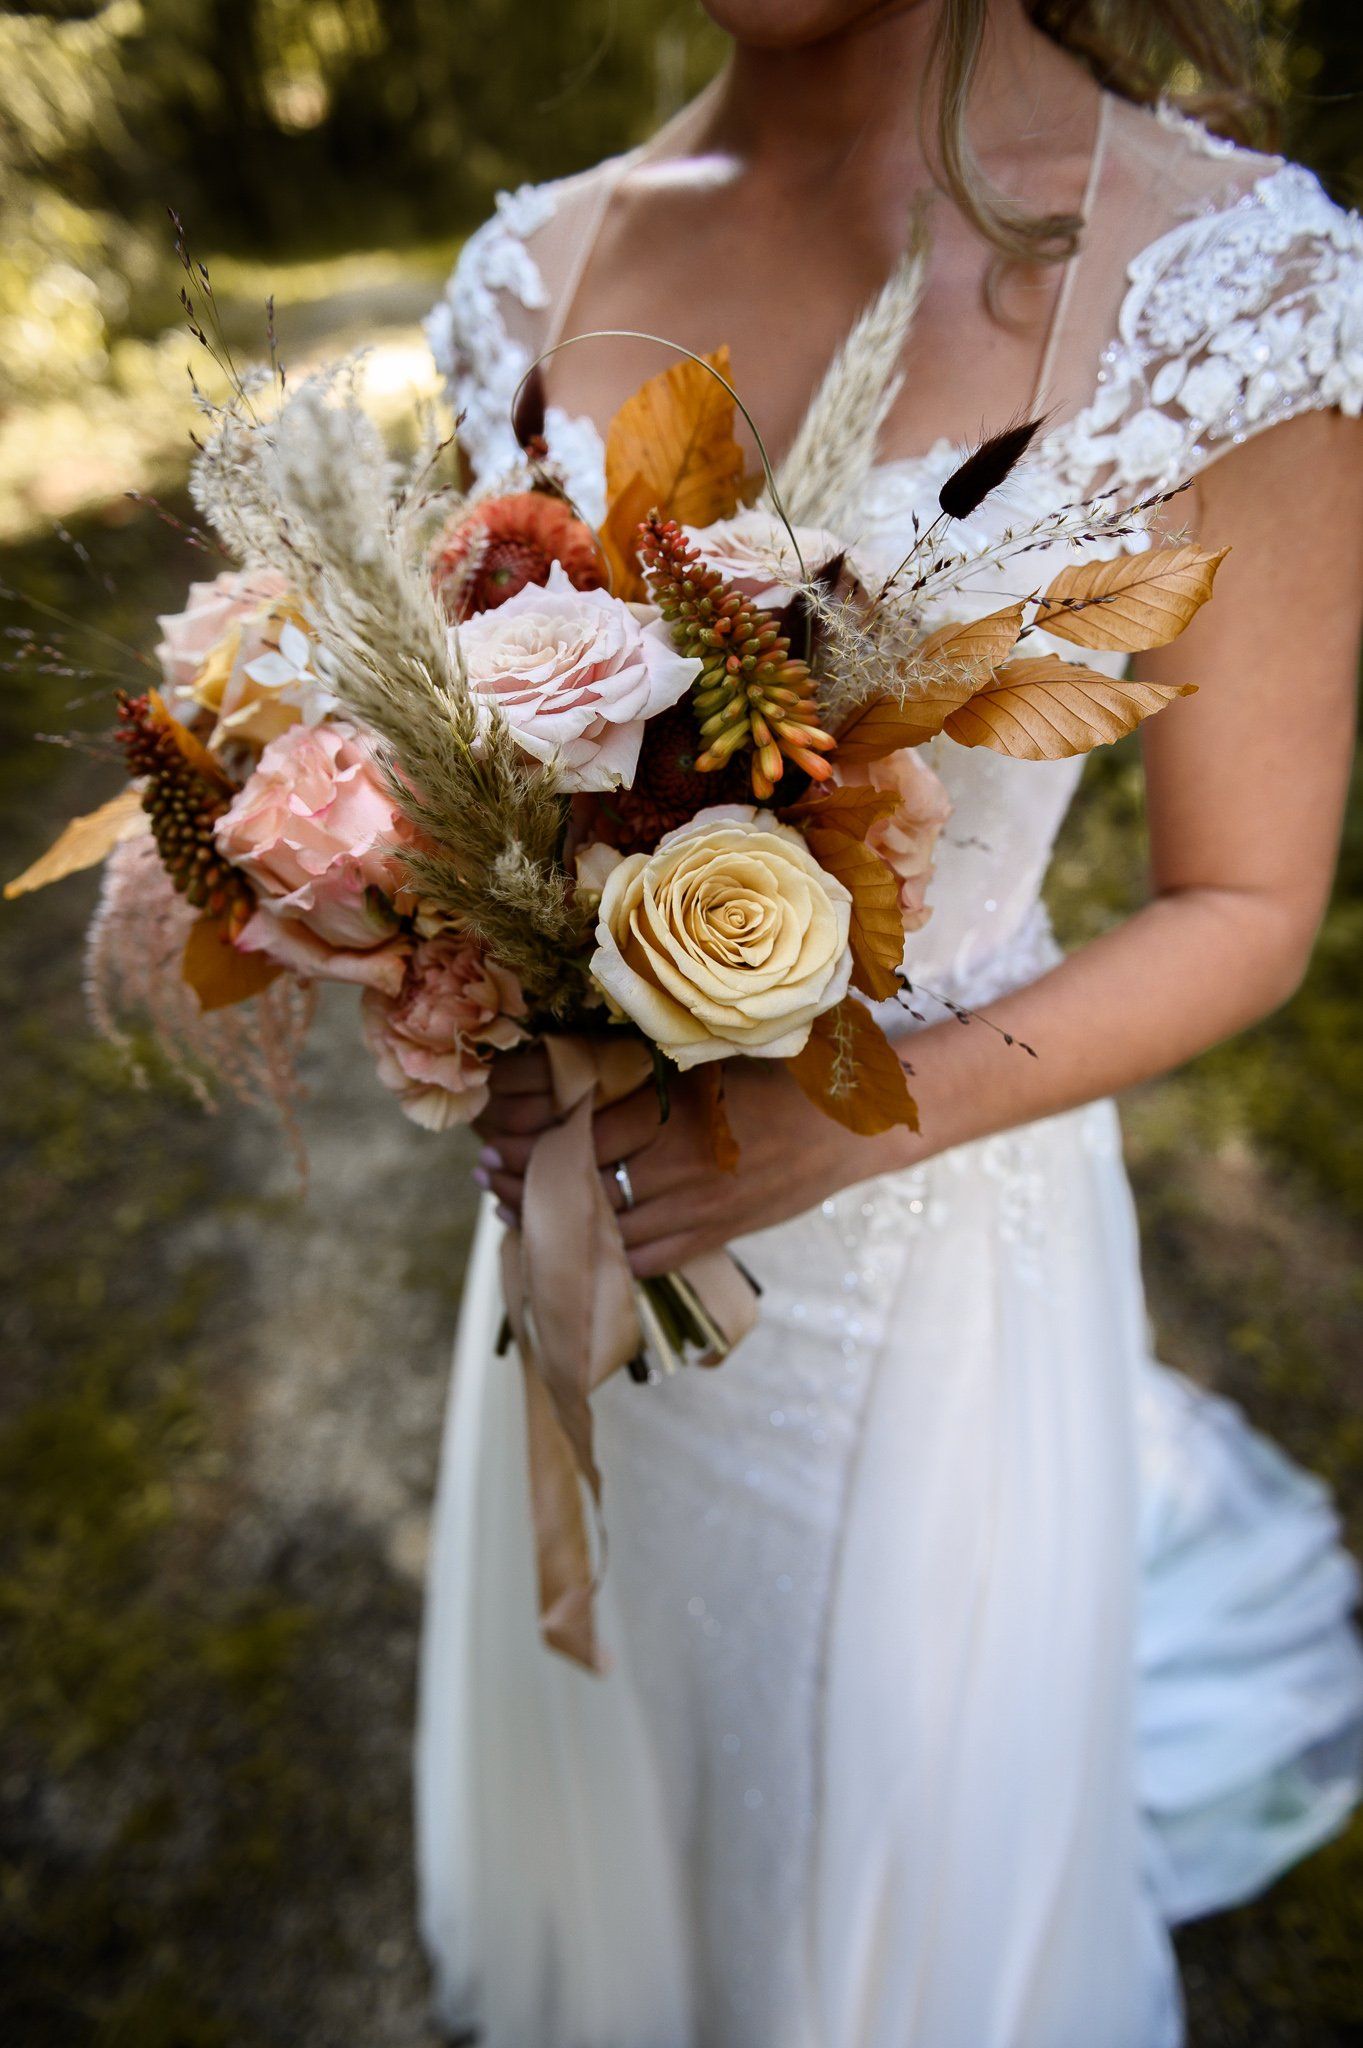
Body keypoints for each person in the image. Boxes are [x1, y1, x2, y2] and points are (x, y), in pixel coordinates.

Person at [417, 4, 1363, 2041]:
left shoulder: (1241, 286)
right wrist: (431, 951)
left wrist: (843, 1121)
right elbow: (454, 760)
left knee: (856, 1812)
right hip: (583, 1228)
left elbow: (1246, 902)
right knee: (645, 1764)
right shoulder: (529, 273)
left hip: (925, 1260)